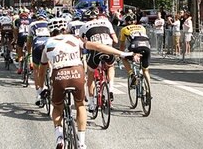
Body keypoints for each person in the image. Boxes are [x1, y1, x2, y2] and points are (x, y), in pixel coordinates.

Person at [38, 16, 136, 149]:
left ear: (50, 31)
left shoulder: (47, 44)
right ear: (65, 28)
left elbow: (41, 71)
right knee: (79, 105)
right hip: (76, 73)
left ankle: (59, 137)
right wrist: (122, 54)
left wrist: (41, 89)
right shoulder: (75, 38)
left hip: (59, 76)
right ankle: (82, 142)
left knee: (57, 107)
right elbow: (97, 46)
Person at [79, 8, 118, 110]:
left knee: (90, 74)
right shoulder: (106, 22)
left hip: (95, 51)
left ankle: (91, 103)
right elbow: (116, 40)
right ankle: (111, 88)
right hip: (108, 48)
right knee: (111, 66)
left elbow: (83, 44)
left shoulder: (83, 26)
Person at [119, 13, 152, 89]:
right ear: (135, 21)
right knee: (146, 70)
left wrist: (120, 54)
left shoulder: (124, 29)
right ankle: (149, 90)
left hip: (135, 45)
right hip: (147, 45)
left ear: (126, 22)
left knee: (123, 57)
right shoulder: (142, 27)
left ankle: (132, 75)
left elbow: (122, 45)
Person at [28, 9, 51, 106]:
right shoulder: (49, 23)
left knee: (37, 70)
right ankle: (51, 78)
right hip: (48, 45)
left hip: (37, 46)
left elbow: (29, 40)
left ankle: (39, 93)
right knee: (50, 65)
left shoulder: (32, 25)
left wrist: (29, 52)